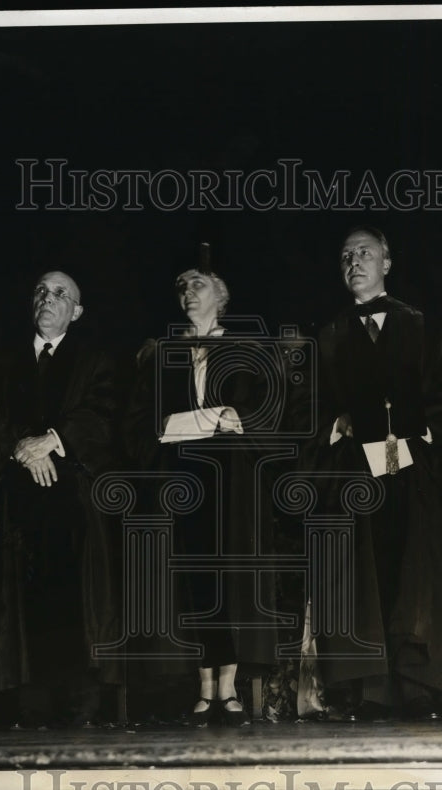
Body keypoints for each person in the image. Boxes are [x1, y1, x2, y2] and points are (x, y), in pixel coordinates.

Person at [310, 226, 442, 719]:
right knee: (359, 577)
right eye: (346, 255)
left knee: (416, 574)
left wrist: (425, 428)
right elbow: (306, 406)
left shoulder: (423, 327)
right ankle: (368, 692)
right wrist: (336, 424)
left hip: (413, 467)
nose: (354, 262)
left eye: (365, 253)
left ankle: (419, 687)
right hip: (352, 472)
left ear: (387, 263)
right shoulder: (326, 336)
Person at [124, 268, 279, 726]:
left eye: (199, 285)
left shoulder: (248, 350)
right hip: (180, 479)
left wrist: (237, 415)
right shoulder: (162, 354)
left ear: (221, 296)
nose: (188, 293)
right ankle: (203, 685)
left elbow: (269, 407)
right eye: (182, 287)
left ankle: (227, 686)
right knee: (193, 582)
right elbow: (140, 420)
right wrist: (171, 425)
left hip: (232, 481)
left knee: (228, 579)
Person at [0, 271, 120, 728]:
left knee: (77, 604)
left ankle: (80, 705)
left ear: (77, 311)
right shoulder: (4, 363)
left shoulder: (95, 361)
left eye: (60, 294)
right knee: (21, 604)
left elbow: (104, 415)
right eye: (40, 290)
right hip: (18, 503)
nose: (47, 298)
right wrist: (22, 447)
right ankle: (31, 706)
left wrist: (53, 440)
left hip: (74, 501)